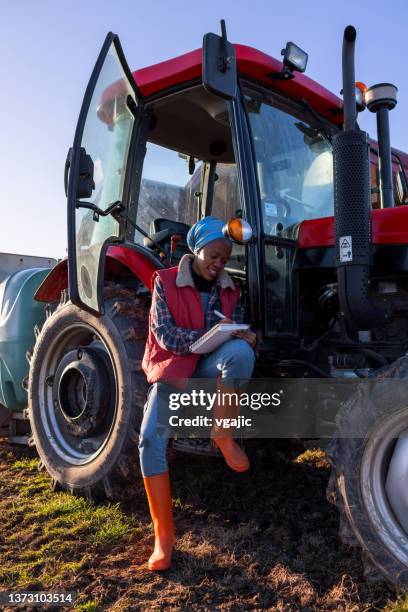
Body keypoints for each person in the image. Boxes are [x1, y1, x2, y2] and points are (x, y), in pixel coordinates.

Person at [140, 216, 256, 571]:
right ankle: (164, 538)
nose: (219, 265)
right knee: (149, 441)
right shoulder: (165, 281)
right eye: (214, 256)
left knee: (241, 353)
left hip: (206, 369)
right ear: (197, 249)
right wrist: (207, 336)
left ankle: (222, 433)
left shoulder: (229, 288)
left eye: (225, 259)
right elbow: (166, 336)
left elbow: (231, 335)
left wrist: (241, 335)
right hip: (174, 368)